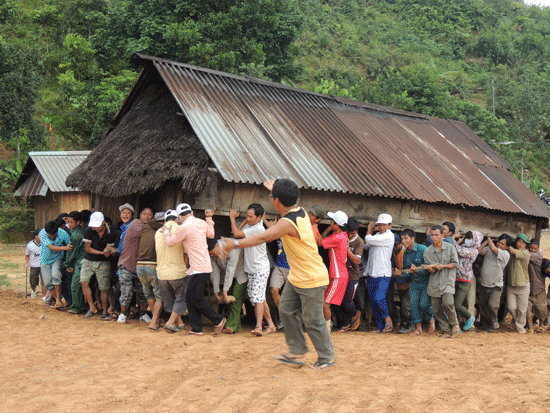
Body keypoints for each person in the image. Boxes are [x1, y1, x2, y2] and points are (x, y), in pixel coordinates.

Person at [221, 179, 335, 370]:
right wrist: (277, 189)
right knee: (286, 309)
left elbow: (263, 237)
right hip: (297, 276)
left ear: (277, 202)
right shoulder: (299, 209)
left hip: (312, 278)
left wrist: (235, 243)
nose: (270, 199)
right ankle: (297, 350)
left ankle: (327, 357)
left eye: (271, 197)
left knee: (313, 320)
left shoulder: (287, 222)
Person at [163, 203, 226, 336]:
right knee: (190, 298)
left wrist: (166, 230)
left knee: (195, 299)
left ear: (180, 216)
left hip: (198, 268)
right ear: (191, 212)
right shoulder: (201, 222)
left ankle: (218, 320)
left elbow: (169, 242)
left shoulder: (183, 227)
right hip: (203, 266)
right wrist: (209, 219)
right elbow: (211, 233)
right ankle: (196, 328)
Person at [229, 204, 276, 336]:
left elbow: (236, 233)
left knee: (257, 299)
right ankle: (271, 325)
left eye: (251, 216)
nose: (248, 218)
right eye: (247, 216)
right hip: (253, 269)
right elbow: (237, 233)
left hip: (259, 268)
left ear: (259, 217)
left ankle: (259, 327)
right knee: (259, 298)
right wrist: (245, 220)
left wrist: (232, 218)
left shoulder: (258, 228)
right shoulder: (251, 226)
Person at [117, 207, 154, 324]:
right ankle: (123, 314)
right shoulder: (136, 224)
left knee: (144, 293)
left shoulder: (149, 226)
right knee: (126, 292)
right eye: (144, 214)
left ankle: (143, 314)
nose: (146, 216)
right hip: (127, 264)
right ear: (140, 215)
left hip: (140, 266)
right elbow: (146, 231)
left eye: (149, 215)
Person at [395, 228, 435, 336]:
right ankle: (418, 329)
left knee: (424, 304)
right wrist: (401, 275)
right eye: (402, 239)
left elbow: (431, 268)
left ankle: (431, 319)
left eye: (406, 238)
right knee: (413, 305)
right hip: (414, 283)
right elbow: (409, 272)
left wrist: (417, 271)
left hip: (426, 282)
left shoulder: (423, 249)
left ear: (413, 238)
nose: (403, 241)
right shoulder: (406, 253)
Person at [423, 225, 459, 338]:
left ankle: (454, 323)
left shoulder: (450, 247)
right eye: (432, 235)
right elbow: (432, 270)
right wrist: (429, 268)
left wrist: (443, 266)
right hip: (434, 283)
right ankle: (446, 331)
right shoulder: (427, 251)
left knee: (448, 303)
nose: (433, 237)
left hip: (448, 281)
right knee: (437, 309)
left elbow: (455, 264)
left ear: (442, 235)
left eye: (436, 235)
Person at [155, 210, 188, 332]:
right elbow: (185, 251)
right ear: (177, 219)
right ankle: (170, 322)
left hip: (162, 274)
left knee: (171, 300)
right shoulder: (179, 229)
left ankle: (178, 323)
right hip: (176, 272)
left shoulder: (158, 232)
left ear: (165, 220)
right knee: (182, 298)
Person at [81, 212, 116, 319]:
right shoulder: (88, 231)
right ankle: (92, 307)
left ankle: (105, 311)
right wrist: (103, 253)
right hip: (88, 259)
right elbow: (88, 249)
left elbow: (110, 249)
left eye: (98, 225)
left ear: (103, 222)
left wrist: (109, 251)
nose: (95, 227)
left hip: (104, 262)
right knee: (84, 282)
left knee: (103, 288)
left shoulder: (111, 233)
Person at [319, 210, 349, 331]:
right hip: (338, 274)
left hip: (338, 275)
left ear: (336, 224)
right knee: (325, 302)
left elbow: (320, 242)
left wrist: (316, 228)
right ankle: (326, 325)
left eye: (332, 221)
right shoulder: (340, 235)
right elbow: (325, 239)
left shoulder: (338, 237)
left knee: (325, 303)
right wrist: (331, 228)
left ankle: (326, 327)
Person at [364, 213, 394, 333]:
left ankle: (388, 319)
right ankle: (380, 326)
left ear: (390, 226)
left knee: (379, 298)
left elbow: (369, 239)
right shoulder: (377, 235)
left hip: (383, 274)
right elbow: (367, 245)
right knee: (372, 300)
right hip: (372, 272)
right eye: (380, 224)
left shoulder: (389, 236)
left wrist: (369, 230)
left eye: (384, 225)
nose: (381, 227)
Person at [136, 212, 165, 330]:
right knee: (159, 296)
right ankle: (154, 321)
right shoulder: (163, 230)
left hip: (139, 266)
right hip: (152, 265)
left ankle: (155, 319)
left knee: (148, 294)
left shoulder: (145, 227)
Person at [477, 234, 512, 332]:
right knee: (483, 305)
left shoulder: (505, 254)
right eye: (499, 242)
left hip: (496, 285)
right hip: (484, 283)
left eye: (502, 244)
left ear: (506, 247)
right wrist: (486, 242)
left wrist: (488, 238)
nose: (499, 245)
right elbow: (479, 251)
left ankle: (494, 321)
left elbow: (494, 249)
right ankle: (487, 326)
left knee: (492, 305)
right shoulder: (489, 248)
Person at [453, 230, 483, 332]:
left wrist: (453, 239)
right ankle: (457, 326)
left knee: (457, 304)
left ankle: (470, 317)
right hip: (455, 278)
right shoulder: (463, 247)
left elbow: (458, 250)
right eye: (467, 238)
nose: (467, 240)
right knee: (453, 304)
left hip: (465, 281)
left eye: (470, 239)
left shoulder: (474, 251)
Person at [39, 220, 72, 308]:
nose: (52, 236)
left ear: (57, 230)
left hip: (57, 259)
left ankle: (57, 300)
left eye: (54, 234)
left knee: (56, 276)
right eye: (50, 235)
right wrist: (65, 248)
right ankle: (59, 301)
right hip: (44, 260)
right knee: (47, 283)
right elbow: (52, 248)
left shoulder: (63, 234)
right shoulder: (42, 233)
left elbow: (71, 245)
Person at [64, 211, 87, 315]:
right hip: (78, 262)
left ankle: (77, 306)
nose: (69, 224)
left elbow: (72, 252)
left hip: (80, 262)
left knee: (75, 285)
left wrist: (67, 264)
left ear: (78, 222)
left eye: (71, 222)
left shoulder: (77, 235)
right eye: (68, 222)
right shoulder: (75, 232)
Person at [506, 233, 531, 333]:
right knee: (511, 307)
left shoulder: (525, 253)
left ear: (526, 245)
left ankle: (520, 327)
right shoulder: (512, 253)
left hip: (523, 286)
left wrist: (506, 243)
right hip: (511, 285)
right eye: (519, 241)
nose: (520, 244)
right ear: (516, 243)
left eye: (523, 242)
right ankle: (518, 321)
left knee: (522, 309)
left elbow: (512, 250)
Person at [345, 218, 363, 331]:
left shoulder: (359, 241)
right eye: (349, 233)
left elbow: (357, 260)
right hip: (341, 274)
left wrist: (347, 249)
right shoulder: (342, 236)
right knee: (339, 301)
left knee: (347, 301)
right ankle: (346, 322)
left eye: (353, 233)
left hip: (353, 275)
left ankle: (356, 314)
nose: (351, 235)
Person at [527, 239, 547, 333]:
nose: (533, 250)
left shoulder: (538, 256)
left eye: (535, 248)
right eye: (531, 248)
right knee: (528, 308)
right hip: (529, 286)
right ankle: (530, 326)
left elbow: (526, 255)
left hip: (538, 287)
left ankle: (541, 324)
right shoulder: (529, 253)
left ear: (538, 248)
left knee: (541, 308)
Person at [25, 230, 42, 299]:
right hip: (34, 265)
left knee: (45, 281)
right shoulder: (30, 245)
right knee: (33, 281)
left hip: (44, 264)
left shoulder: (45, 243)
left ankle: (44, 295)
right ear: (35, 236)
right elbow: (27, 255)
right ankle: (33, 291)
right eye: (39, 235)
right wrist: (27, 264)